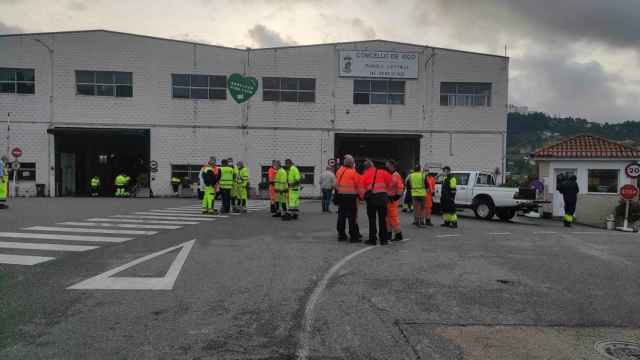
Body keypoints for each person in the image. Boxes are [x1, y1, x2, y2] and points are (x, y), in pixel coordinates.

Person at [360, 159, 392, 245]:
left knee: (372, 219)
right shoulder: (383, 172)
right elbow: (391, 182)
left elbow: (361, 188)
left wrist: (363, 197)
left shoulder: (364, 175)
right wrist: (387, 192)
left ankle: (373, 239)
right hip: (383, 198)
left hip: (371, 199)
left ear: (365, 168)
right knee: (382, 219)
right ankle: (384, 239)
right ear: (373, 165)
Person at [335, 155, 362, 242]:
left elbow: (336, 183)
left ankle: (341, 235)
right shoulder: (353, 173)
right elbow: (358, 185)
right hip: (351, 197)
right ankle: (354, 236)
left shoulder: (339, 171)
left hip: (341, 196)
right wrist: (361, 196)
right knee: (352, 217)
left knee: (341, 216)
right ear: (352, 164)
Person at [386, 160, 404, 241]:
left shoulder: (396, 175)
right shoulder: (392, 174)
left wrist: (395, 197)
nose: (386, 166)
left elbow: (400, 188)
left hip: (392, 200)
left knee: (392, 217)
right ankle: (389, 234)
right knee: (388, 218)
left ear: (391, 165)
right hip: (389, 199)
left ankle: (398, 234)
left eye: (387, 165)